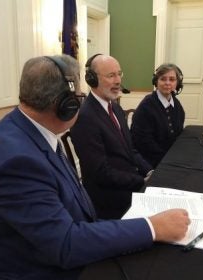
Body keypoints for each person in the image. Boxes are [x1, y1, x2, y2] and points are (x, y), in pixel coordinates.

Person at [0, 55, 190, 280]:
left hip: (65, 245)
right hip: (41, 270)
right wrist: (152, 227)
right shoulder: (17, 163)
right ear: (66, 105)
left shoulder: (32, 130)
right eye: (78, 96)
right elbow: (66, 245)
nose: (80, 102)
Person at [70, 54, 153, 219]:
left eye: (119, 74)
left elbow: (131, 150)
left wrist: (150, 171)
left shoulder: (115, 108)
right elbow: (100, 173)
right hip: (109, 199)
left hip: (128, 185)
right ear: (92, 79)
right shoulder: (85, 117)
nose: (117, 81)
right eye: (111, 75)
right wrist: (141, 181)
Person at [131, 63, 185, 168]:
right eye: (163, 79)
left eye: (172, 79)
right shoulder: (146, 106)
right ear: (156, 81)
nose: (167, 83)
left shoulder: (177, 105)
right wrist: (168, 160)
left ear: (177, 83)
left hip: (170, 158)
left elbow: (178, 133)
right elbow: (143, 143)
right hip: (150, 162)